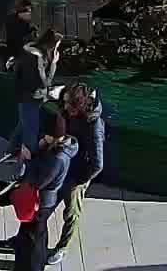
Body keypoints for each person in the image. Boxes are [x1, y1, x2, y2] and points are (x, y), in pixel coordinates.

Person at [46, 84, 105, 265]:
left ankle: (62, 247)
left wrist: (79, 181)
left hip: (77, 174)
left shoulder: (93, 125)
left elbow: (97, 164)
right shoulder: (67, 108)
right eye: (64, 104)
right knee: (44, 204)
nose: (65, 108)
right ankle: (24, 237)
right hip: (62, 164)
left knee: (71, 213)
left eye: (69, 105)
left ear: (79, 105)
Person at [14, 117, 79, 271]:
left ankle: (32, 266)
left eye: (46, 134)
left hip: (41, 203)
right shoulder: (59, 149)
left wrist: (29, 160)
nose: (43, 136)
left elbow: (39, 181)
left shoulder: (57, 158)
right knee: (37, 234)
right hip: (45, 201)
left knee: (32, 236)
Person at [12, 28, 62, 153]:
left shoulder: (44, 55)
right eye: (56, 45)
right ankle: (28, 165)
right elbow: (32, 82)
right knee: (31, 130)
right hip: (28, 98)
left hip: (35, 98)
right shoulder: (32, 58)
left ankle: (11, 150)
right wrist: (43, 91)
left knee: (24, 125)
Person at [1, 0, 35, 67]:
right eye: (28, 13)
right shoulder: (12, 21)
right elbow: (18, 36)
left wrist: (32, 30)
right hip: (15, 47)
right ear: (21, 13)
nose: (30, 15)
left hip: (20, 45)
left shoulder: (23, 20)